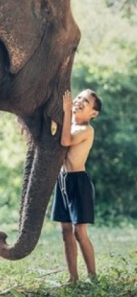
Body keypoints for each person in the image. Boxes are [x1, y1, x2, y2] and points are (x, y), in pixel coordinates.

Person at [51, 89, 102, 284]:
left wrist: (65, 110)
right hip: (63, 181)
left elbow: (65, 140)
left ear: (93, 114)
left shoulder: (86, 130)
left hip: (78, 182)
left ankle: (93, 277)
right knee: (65, 231)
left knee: (79, 232)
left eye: (86, 102)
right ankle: (73, 278)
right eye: (79, 97)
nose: (80, 101)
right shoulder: (69, 125)